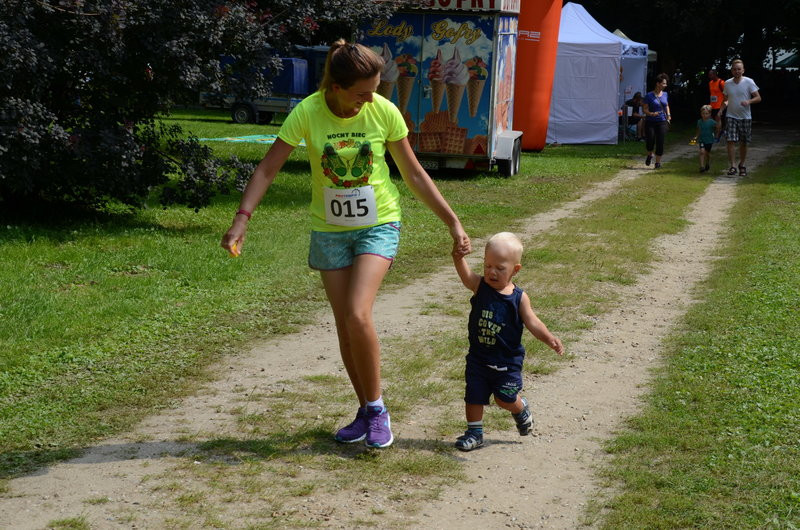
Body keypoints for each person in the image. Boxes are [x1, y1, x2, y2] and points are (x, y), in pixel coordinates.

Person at [221, 39, 471, 449]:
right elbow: (268, 169)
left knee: (358, 312)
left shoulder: (382, 111)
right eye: (361, 93)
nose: (368, 100)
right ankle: (366, 409)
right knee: (344, 326)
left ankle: (378, 410)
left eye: (373, 91)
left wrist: (452, 221)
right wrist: (241, 220)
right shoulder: (308, 112)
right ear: (335, 87)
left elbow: (413, 174)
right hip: (329, 230)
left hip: (379, 224)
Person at [451, 232, 563, 451]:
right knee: (474, 395)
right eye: (488, 265)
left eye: (500, 268)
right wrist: (458, 258)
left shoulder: (519, 298)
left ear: (515, 269)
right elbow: (466, 276)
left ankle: (520, 408)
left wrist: (549, 338)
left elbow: (533, 322)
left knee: (504, 399)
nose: (492, 272)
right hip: (479, 358)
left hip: (507, 360)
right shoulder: (479, 286)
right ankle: (474, 432)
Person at [721, 59, 761, 176]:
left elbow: (758, 98)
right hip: (731, 116)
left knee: (744, 142)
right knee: (730, 140)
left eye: (739, 69)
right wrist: (720, 111)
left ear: (743, 70)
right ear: (731, 70)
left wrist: (748, 101)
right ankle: (733, 166)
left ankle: (742, 164)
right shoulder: (727, 83)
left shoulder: (749, 82)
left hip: (745, 117)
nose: (737, 71)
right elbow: (725, 100)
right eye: (734, 69)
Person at [642, 73, 672, 169]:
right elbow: (644, 109)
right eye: (663, 83)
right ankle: (650, 154)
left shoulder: (665, 94)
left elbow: (666, 105)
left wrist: (669, 115)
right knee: (650, 140)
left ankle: (657, 163)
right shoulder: (649, 95)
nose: (665, 85)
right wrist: (651, 113)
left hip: (662, 121)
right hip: (650, 121)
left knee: (660, 142)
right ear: (658, 84)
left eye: (666, 83)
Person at [694, 105, 719, 173]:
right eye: (703, 113)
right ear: (701, 114)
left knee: (707, 153)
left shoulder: (712, 122)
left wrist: (716, 135)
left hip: (709, 140)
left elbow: (717, 128)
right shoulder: (699, 121)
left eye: (706, 113)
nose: (704, 115)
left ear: (709, 114)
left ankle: (707, 162)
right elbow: (699, 130)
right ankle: (702, 166)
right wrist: (696, 137)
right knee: (702, 152)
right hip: (702, 139)